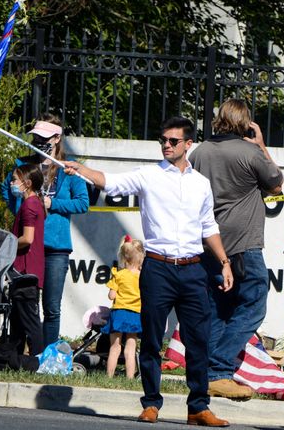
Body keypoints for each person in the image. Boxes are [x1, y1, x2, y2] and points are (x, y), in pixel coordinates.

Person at [64, 117, 234, 427]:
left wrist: (224, 261)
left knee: (198, 341)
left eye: (173, 141)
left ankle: (198, 407)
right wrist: (81, 169)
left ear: (188, 145)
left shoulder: (201, 183)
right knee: (152, 340)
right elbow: (111, 182)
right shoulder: (148, 175)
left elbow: (208, 226)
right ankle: (151, 403)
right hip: (157, 268)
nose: (166, 145)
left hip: (194, 269)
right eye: (163, 140)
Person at [189, 99, 283, 400]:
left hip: (210, 243)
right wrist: (262, 145)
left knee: (219, 308)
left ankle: (210, 375)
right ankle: (219, 366)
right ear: (246, 123)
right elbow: (277, 185)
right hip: (244, 244)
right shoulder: (250, 152)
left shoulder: (200, 151)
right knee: (254, 305)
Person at [1, 114, 90, 346]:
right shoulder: (23, 165)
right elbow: (6, 190)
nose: (38, 141)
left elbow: (83, 203)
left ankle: (47, 357)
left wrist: (53, 204)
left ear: (57, 138)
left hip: (55, 248)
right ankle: (19, 354)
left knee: (51, 306)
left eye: (44, 137)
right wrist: (20, 207)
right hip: (28, 244)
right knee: (25, 301)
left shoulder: (68, 169)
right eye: (36, 137)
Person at [8, 164, 46, 356]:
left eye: (15, 179)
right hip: (25, 271)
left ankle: (38, 359)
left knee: (29, 320)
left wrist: (8, 245)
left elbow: (27, 238)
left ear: (27, 183)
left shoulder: (30, 204)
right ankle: (14, 360)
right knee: (17, 320)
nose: (12, 183)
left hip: (26, 271)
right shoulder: (33, 203)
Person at [104, 235, 144, 379]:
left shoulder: (119, 275)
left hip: (119, 313)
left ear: (123, 257)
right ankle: (129, 378)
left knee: (115, 347)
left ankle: (109, 376)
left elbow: (111, 296)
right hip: (135, 314)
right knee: (130, 348)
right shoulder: (142, 277)